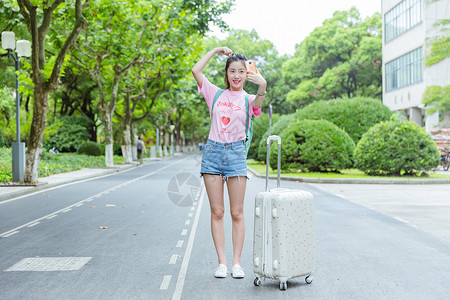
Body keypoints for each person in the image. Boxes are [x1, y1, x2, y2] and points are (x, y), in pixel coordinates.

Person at [191, 47, 266, 278]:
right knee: (217, 211)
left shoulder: (249, 99)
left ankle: (236, 263)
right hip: (213, 153)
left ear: (246, 74)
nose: (236, 75)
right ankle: (222, 262)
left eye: (241, 71)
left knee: (236, 213)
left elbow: (258, 102)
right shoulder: (214, 94)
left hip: (235, 155)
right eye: (232, 71)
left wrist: (262, 84)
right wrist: (214, 50)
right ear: (226, 73)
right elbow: (195, 70)